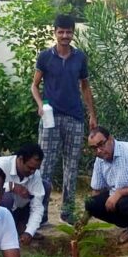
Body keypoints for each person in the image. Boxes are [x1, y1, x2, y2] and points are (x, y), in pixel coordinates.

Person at [31, 13, 97, 224]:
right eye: (61, 32)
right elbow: (34, 85)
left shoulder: (80, 58)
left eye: (69, 32)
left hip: (75, 117)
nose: (65, 35)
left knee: (71, 167)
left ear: (73, 33)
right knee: (46, 166)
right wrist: (41, 105)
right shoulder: (45, 57)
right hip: (51, 118)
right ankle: (40, 215)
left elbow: (85, 86)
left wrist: (92, 114)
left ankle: (67, 213)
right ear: (55, 32)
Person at [0, 143, 51, 246]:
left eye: (35, 169)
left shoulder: (34, 174)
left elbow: (37, 206)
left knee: (45, 186)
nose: (32, 172)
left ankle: (23, 228)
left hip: (21, 209)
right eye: (30, 168)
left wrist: (29, 232)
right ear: (20, 159)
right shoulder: (0, 165)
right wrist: (11, 186)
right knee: (5, 197)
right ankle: (2, 232)